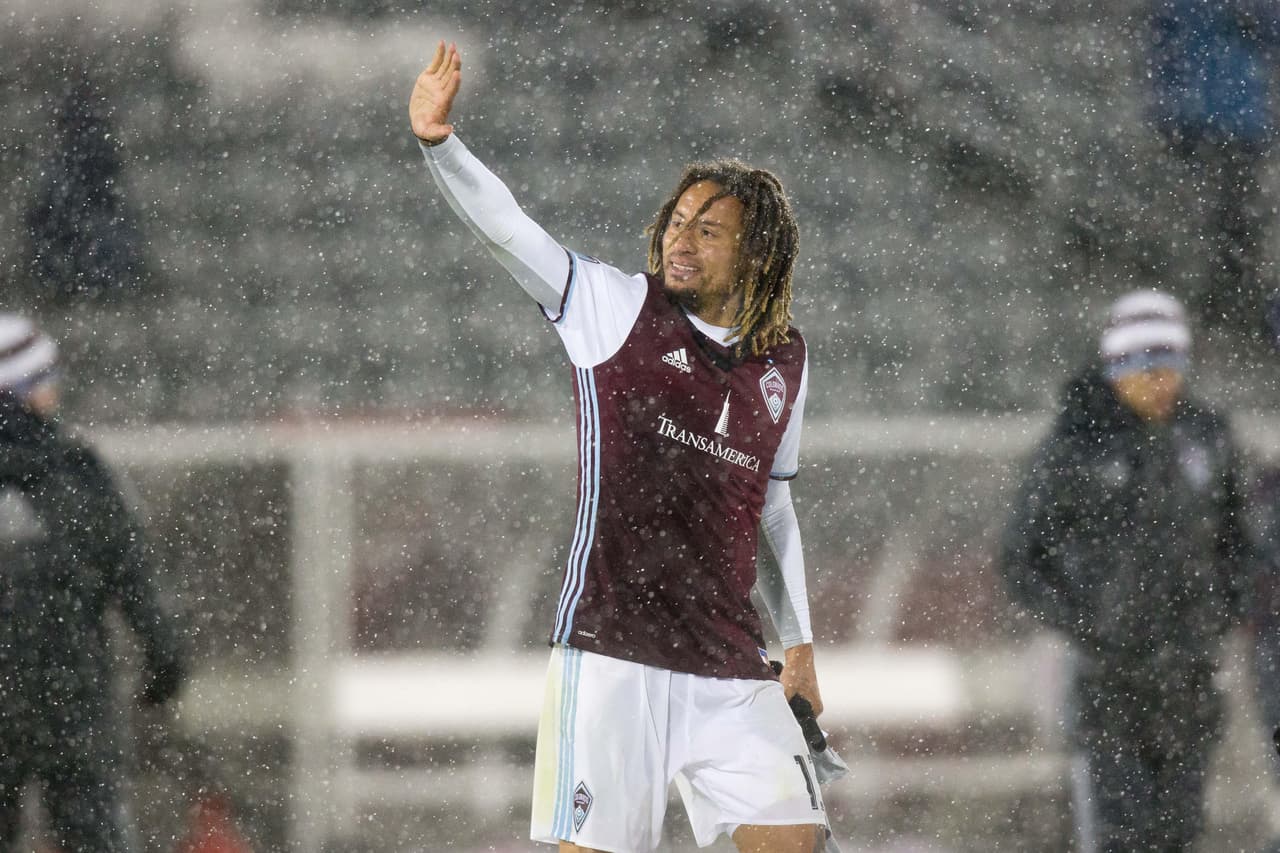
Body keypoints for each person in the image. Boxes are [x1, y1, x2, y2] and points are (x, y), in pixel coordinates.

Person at [410, 41, 827, 853]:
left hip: (730, 665)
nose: (683, 239)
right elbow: (510, 232)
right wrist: (441, 144)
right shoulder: (609, 307)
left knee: (794, 839)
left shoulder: (786, 361)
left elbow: (769, 500)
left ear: (757, 253)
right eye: (678, 221)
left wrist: (799, 642)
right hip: (610, 655)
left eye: (710, 231)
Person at [997, 289, 1250, 852]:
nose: (1163, 383)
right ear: (1118, 368)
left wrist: (1215, 617)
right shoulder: (1074, 447)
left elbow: (1240, 545)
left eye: (1173, 367)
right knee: (1117, 835)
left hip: (1190, 683)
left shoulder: (1208, 439)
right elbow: (1020, 558)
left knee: (1180, 833)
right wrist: (1091, 624)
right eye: (1148, 369)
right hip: (1108, 688)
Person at [0, 314, 186, 853]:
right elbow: (135, 578)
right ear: (29, 391)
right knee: (92, 830)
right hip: (73, 703)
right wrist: (164, 661)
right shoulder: (79, 473)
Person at [1149, 0, 1280, 330]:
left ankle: (1229, 300)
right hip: (1198, 123)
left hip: (1235, 123)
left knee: (1233, 216)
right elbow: (1159, 53)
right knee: (1203, 216)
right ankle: (1211, 300)